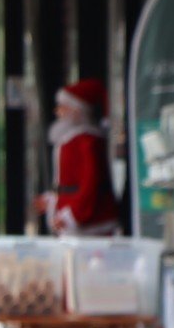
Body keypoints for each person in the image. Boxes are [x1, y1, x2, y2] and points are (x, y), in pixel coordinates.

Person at [37, 78, 118, 237]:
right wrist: (54, 199)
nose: (58, 112)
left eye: (62, 107)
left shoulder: (87, 141)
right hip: (72, 216)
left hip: (90, 222)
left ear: (75, 110)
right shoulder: (71, 140)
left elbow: (90, 182)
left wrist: (74, 214)